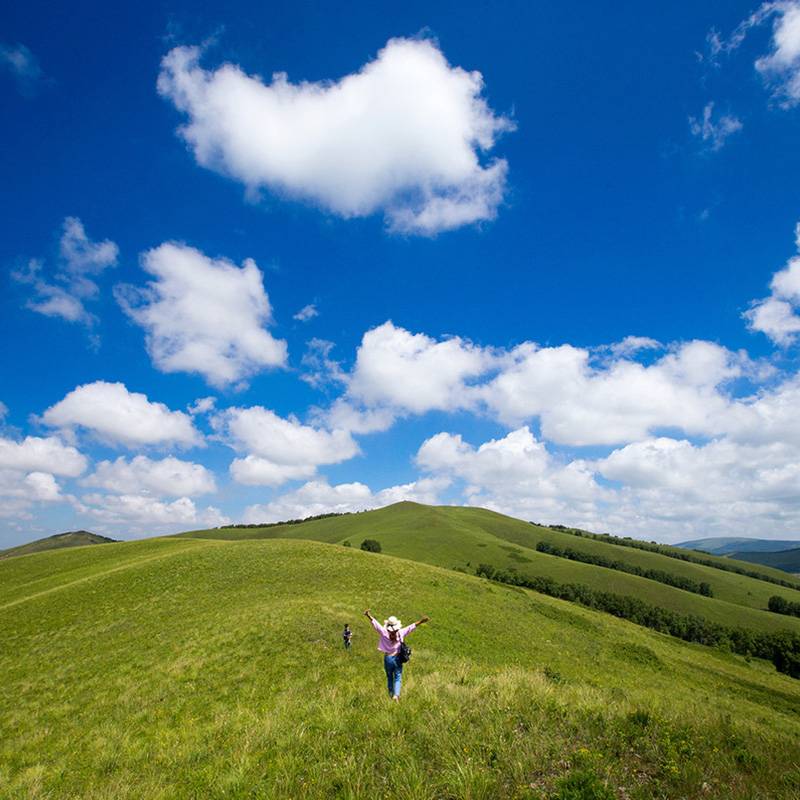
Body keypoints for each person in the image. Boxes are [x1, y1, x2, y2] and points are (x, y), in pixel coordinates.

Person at [363, 609, 429, 701]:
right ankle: (396, 695)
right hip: (397, 658)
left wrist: (368, 615)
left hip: (387, 658)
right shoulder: (400, 633)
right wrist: (422, 621)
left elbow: (375, 624)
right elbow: (411, 626)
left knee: (390, 677)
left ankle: (390, 694)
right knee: (398, 677)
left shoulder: (384, 632)